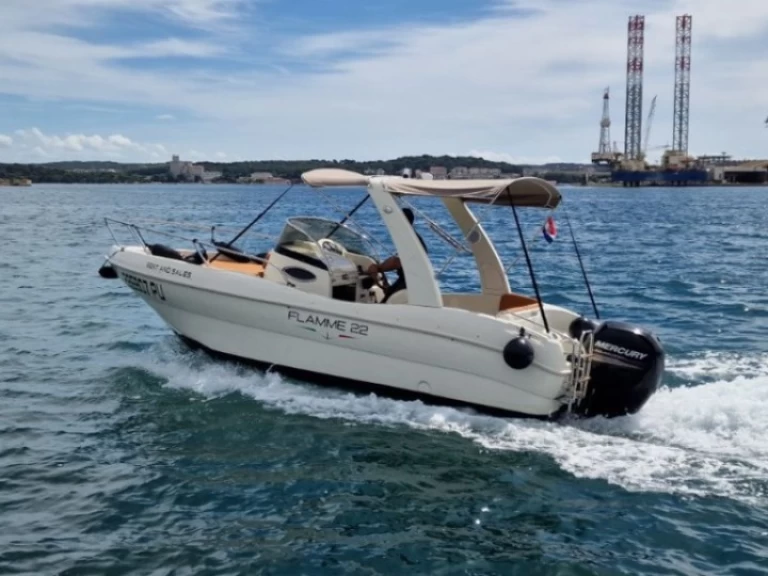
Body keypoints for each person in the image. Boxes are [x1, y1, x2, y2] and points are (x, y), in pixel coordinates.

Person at [367, 207, 428, 302]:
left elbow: (397, 262)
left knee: (386, 303)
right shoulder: (413, 236)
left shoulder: (410, 239)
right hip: (414, 280)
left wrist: (378, 268)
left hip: (409, 282)